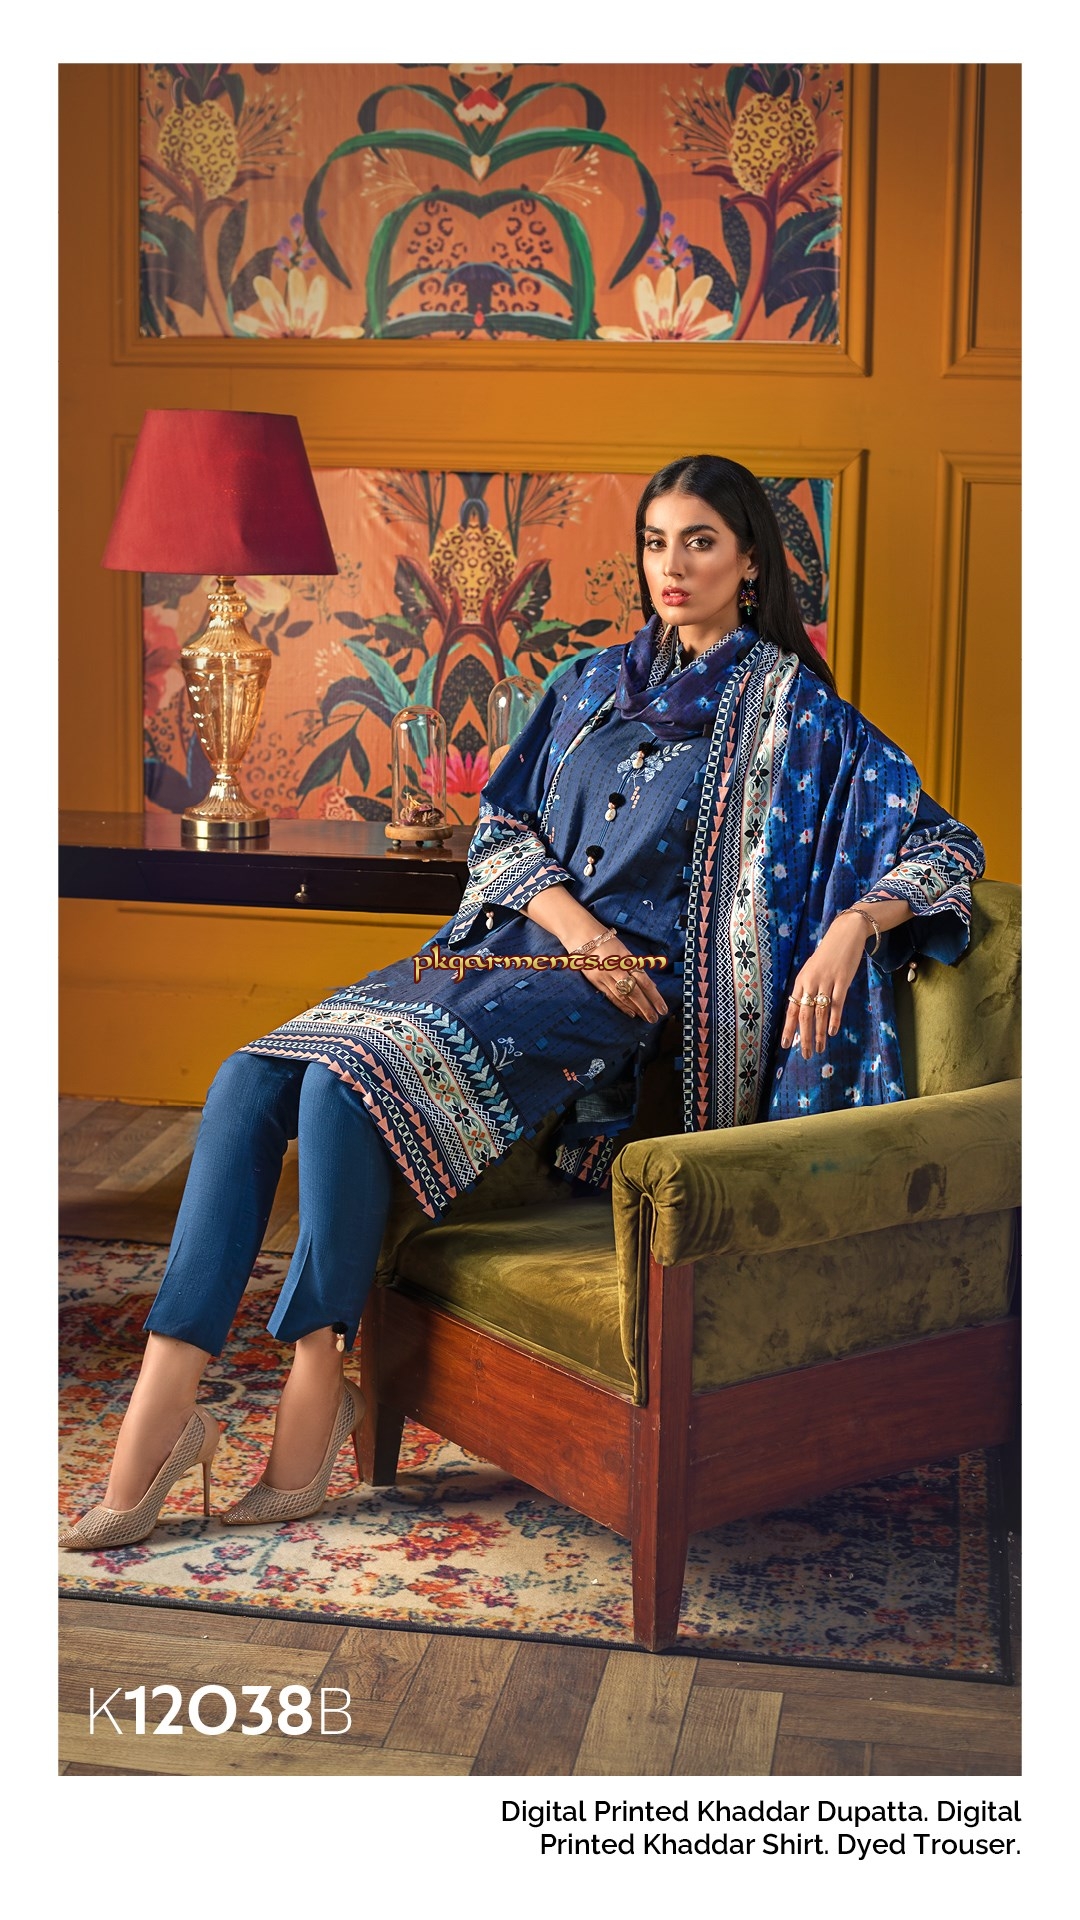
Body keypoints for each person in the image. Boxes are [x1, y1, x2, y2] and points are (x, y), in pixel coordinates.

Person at [59, 453, 984, 1552]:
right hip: (517, 950)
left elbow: (943, 844)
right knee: (249, 1077)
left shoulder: (800, 715)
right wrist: (573, 927)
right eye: (655, 542)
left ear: (750, 562)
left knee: (344, 1088)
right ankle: (166, 1405)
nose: (673, 566)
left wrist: (850, 928)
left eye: (700, 542)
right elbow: (502, 831)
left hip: (628, 993)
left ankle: (314, 1389)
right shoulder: (590, 687)